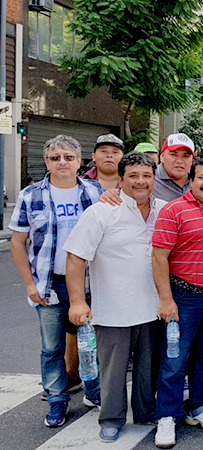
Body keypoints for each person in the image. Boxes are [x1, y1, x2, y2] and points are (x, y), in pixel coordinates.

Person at [63, 153, 164, 442]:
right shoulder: (102, 212)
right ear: (120, 180)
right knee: (113, 371)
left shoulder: (165, 210)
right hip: (114, 308)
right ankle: (111, 417)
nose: (140, 181)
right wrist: (78, 301)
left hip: (155, 308)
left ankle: (146, 413)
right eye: (133, 175)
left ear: (154, 178)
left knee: (148, 369)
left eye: (146, 175)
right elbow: (75, 257)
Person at [9, 135, 103, 427]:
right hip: (49, 284)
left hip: (90, 284)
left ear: (79, 161)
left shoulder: (95, 192)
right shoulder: (30, 195)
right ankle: (56, 401)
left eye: (68, 157)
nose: (62, 162)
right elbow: (17, 242)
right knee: (52, 348)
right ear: (47, 162)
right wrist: (29, 283)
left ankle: (94, 391)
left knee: (90, 343)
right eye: (55, 157)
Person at [151, 157, 203, 448]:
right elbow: (159, 256)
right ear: (191, 180)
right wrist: (166, 299)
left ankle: (199, 407)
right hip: (183, 297)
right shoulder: (174, 211)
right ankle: (167, 416)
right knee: (174, 360)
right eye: (201, 177)